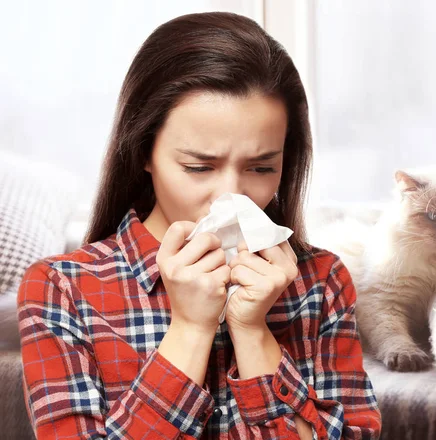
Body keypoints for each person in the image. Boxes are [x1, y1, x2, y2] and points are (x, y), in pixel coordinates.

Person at [17, 12, 381, 439]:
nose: (231, 195)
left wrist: (252, 332)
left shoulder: (321, 282)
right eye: (198, 167)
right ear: (143, 153)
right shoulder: (63, 289)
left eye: (262, 167)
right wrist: (190, 328)